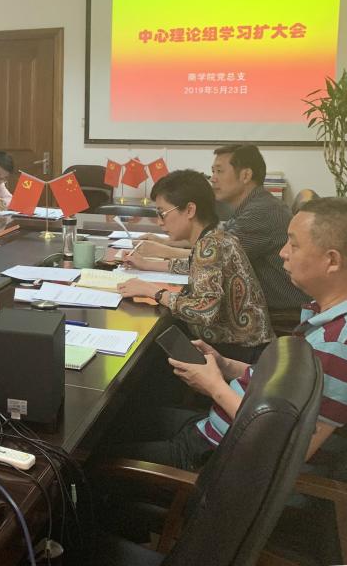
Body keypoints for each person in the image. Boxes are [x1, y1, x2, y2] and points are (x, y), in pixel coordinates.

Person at [111, 197, 347, 473]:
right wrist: (227, 366)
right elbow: (287, 391)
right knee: (120, 419)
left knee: (87, 456)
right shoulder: (324, 318)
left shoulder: (335, 344)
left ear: (332, 260)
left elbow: (291, 444)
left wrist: (214, 386)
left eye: (294, 245)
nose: (283, 253)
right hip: (217, 426)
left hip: (215, 456)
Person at [135, 145, 309, 334]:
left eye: (219, 171)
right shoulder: (252, 206)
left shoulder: (262, 212)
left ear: (245, 175)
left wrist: (155, 285)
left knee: (163, 327)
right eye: (212, 172)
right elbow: (206, 260)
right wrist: (153, 259)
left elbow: (210, 263)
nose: (213, 178)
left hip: (279, 315)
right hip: (260, 312)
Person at [118, 169, 273, 363]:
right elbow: (196, 267)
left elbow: (205, 311)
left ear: (190, 210)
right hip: (244, 345)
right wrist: (146, 264)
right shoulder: (214, 236)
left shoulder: (210, 245)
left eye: (162, 213)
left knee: (148, 353)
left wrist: (152, 291)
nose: (159, 222)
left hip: (240, 352)